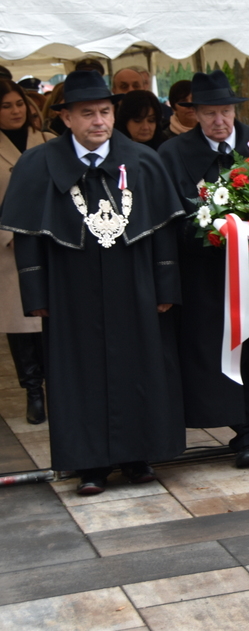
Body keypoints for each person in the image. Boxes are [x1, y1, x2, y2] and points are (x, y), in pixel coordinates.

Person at [0, 70, 186, 494]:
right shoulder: (38, 165)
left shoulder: (142, 161)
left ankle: (139, 457)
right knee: (77, 373)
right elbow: (28, 239)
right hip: (70, 290)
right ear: (66, 118)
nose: (98, 121)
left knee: (140, 367)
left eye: (104, 112)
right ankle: (90, 466)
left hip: (135, 286)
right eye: (87, 114)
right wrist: (36, 294)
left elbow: (163, 231)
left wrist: (165, 287)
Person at [158, 70, 249, 468]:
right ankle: (246, 430)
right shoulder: (173, 154)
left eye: (224, 111)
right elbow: (174, 216)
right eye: (208, 113)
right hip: (209, 277)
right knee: (231, 349)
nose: (219, 121)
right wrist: (209, 231)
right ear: (194, 114)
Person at [0, 80, 54, 424]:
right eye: (6, 106)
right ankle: (33, 391)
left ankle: (58, 386)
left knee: (53, 322)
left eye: (19, 104)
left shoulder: (49, 142)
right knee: (21, 326)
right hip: (11, 251)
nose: (16, 110)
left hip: (52, 245)